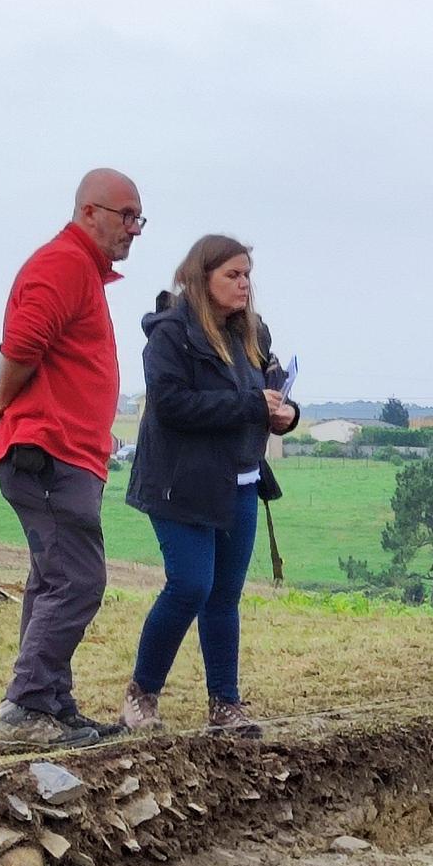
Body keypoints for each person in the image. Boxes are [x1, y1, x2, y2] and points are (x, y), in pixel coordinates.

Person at [0, 169, 144, 752]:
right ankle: (26, 710)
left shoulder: (80, 271)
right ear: (88, 212)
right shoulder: (64, 264)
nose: (134, 229)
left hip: (62, 455)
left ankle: (53, 707)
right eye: (126, 215)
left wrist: (4, 397)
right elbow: (21, 345)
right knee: (77, 579)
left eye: (139, 219)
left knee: (53, 581)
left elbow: (38, 356)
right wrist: (4, 399)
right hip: (49, 455)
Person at [119, 235, 298, 737]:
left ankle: (226, 706)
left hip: (240, 480)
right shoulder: (170, 335)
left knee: (224, 597)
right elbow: (172, 406)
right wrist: (250, 406)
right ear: (201, 278)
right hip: (179, 483)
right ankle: (141, 694)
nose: (243, 284)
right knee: (190, 585)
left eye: (247, 275)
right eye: (232, 275)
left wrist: (287, 415)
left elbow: (275, 391)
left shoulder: (253, 332)